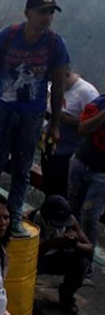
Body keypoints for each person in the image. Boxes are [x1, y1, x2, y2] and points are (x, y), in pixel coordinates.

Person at [0, 0, 69, 237]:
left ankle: (14, 216)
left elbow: (58, 85)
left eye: (50, 12)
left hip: (32, 115)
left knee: (22, 168)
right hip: (1, 110)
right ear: (28, 13)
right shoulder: (8, 36)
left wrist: (55, 124)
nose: (47, 17)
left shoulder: (54, 43)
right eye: (42, 11)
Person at [26, 195, 93, 315]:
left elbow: (89, 247)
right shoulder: (29, 220)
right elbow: (24, 253)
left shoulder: (70, 221)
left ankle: (67, 297)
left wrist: (74, 243)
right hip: (35, 259)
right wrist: (50, 244)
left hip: (56, 258)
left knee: (81, 262)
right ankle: (26, 297)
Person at [43, 66, 98, 196]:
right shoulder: (56, 88)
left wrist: (68, 120)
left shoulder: (86, 92)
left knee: (61, 189)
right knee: (48, 185)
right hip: (50, 146)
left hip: (69, 152)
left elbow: (94, 125)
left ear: (67, 74)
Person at [67, 91, 105, 247]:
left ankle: (86, 257)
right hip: (82, 161)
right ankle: (68, 247)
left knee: (89, 216)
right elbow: (83, 129)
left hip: (102, 174)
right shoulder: (101, 102)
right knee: (71, 207)